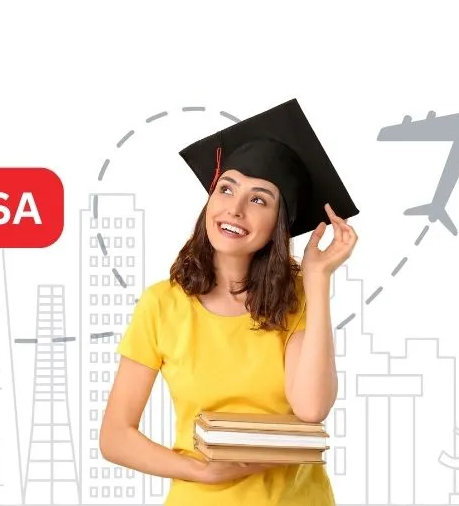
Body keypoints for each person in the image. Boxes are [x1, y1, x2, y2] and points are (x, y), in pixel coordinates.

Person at [98, 98, 360, 505]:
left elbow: (310, 408)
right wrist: (201, 471)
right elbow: (116, 436)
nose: (234, 210)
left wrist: (317, 278)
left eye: (258, 199)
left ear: (279, 223)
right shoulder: (163, 305)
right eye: (226, 189)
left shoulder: (297, 296)